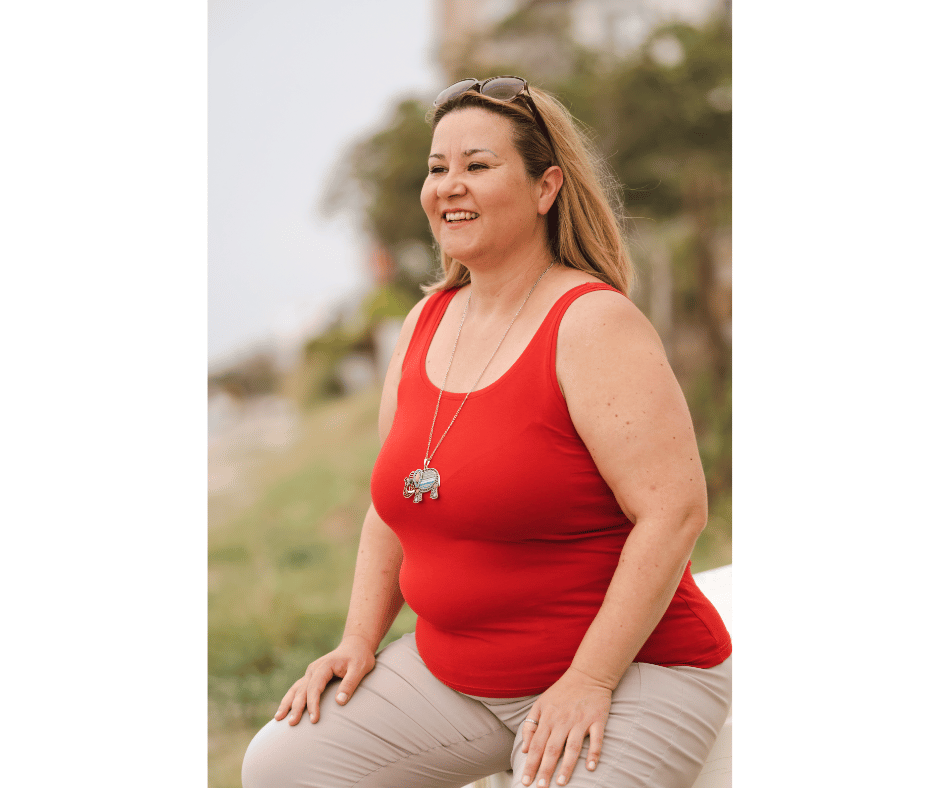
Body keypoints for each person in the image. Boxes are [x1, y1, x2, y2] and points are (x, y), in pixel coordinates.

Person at [241, 76, 731, 788]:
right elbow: (394, 503)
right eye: (438, 169)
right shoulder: (423, 324)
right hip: (455, 676)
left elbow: (675, 511)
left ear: (545, 187)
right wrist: (358, 639)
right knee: (283, 764)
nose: (450, 186)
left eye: (477, 164)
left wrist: (590, 678)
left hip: (633, 674)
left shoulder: (593, 324)